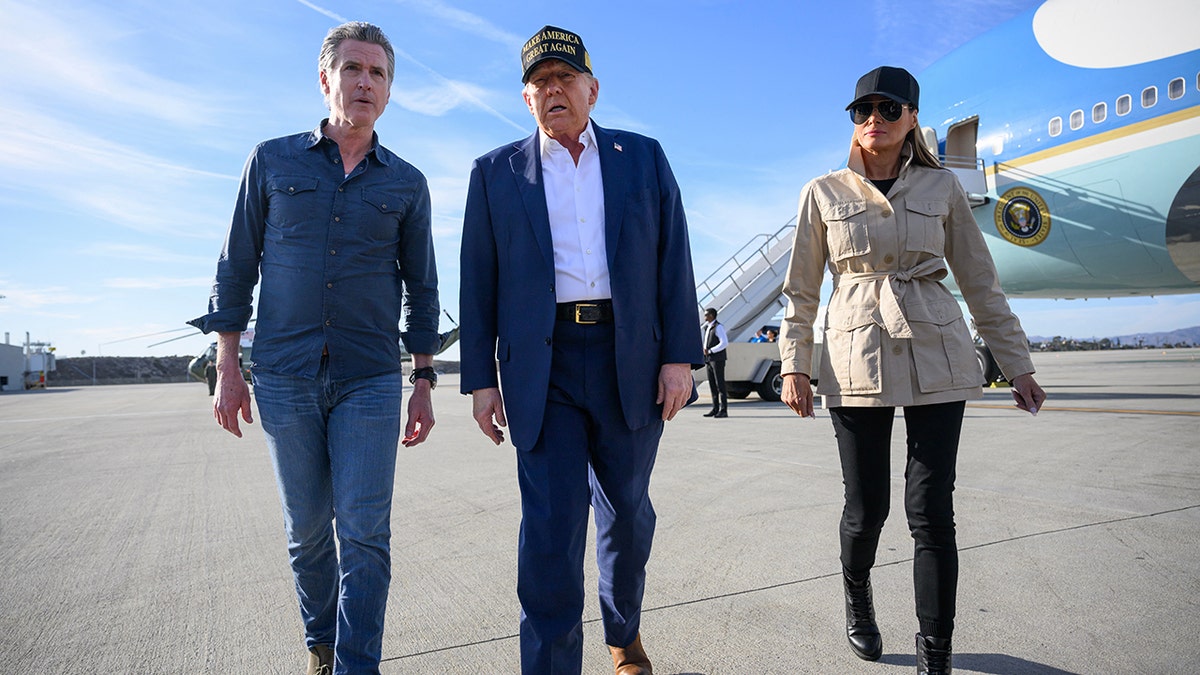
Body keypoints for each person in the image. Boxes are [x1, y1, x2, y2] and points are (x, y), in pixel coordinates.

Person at [187, 21, 440, 675]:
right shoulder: (271, 161)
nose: (364, 82)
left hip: (371, 378)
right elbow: (234, 267)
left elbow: (423, 286)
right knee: (306, 532)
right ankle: (321, 647)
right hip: (284, 375)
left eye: (378, 73)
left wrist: (423, 381)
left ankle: (358, 665)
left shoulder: (406, 184)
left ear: (388, 91)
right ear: (325, 79)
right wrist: (227, 366)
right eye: (353, 68)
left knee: (363, 531)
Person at [778, 66, 1046, 675]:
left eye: (888, 108)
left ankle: (936, 651)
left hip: (936, 349)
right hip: (854, 356)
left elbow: (980, 280)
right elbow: (800, 291)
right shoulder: (823, 192)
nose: (874, 118)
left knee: (931, 510)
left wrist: (1017, 363)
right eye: (862, 109)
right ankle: (858, 598)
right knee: (866, 507)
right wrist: (794, 364)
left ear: (912, 118)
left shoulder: (942, 188)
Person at [459, 25, 702, 675]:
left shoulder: (642, 157)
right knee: (550, 528)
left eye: (565, 78)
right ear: (525, 99)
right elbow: (477, 281)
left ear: (592, 90)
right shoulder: (493, 174)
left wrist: (679, 356)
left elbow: (673, 258)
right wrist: (481, 379)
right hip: (544, 366)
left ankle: (623, 630)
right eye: (540, 82)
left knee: (627, 515)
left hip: (632, 358)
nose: (553, 89)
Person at [702, 308, 729, 418]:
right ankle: (715, 408)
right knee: (712, 384)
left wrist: (711, 350)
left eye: (706, 315)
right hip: (709, 359)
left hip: (717, 359)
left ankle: (723, 410)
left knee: (720, 385)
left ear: (712, 315)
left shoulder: (718, 327)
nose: (705, 317)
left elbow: (724, 343)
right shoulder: (708, 327)